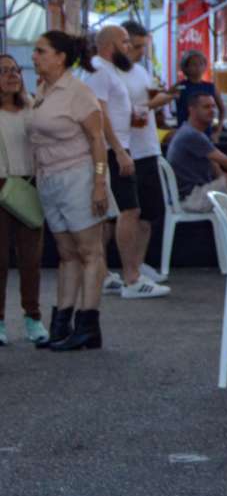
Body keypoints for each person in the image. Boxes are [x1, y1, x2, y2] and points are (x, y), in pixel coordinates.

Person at [28, 31, 116, 352]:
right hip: (50, 178)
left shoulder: (78, 92)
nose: (34, 56)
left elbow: (97, 140)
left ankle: (88, 324)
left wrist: (98, 184)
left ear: (60, 57)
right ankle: (62, 323)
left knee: (90, 251)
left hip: (78, 177)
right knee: (66, 253)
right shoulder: (43, 90)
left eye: (41, 51)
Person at [87, 26, 168, 300]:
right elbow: (100, 114)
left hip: (121, 147)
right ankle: (131, 278)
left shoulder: (110, 70)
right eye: (125, 42)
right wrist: (120, 150)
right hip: (113, 149)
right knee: (127, 211)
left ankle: (114, 273)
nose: (129, 47)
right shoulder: (99, 70)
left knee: (126, 211)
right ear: (110, 45)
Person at [121, 21, 175, 284]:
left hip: (148, 148)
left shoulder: (141, 71)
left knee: (149, 214)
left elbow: (146, 104)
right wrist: (155, 103)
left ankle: (139, 265)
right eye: (137, 46)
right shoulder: (110, 75)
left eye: (144, 46)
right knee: (126, 214)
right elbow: (122, 112)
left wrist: (160, 100)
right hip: (126, 150)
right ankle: (126, 269)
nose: (141, 52)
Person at [0, 54, 47, 346]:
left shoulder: (31, 107)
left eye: (15, 70)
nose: (12, 75)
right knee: (0, 260)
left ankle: (33, 318)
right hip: (1, 185)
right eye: (4, 71)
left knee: (31, 259)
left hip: (29, 186)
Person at [166, 91, 227, 212]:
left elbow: (216, 168)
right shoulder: (191, 135)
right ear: (192, 110)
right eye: (206, 107)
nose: (212, 111)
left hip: (191, 194)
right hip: (189, 198)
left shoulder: (193, 132)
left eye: (213, 106)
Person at [173, 50, 222, 133]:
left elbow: (222, 110)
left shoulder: (210, 87)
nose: (198, 67)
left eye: (201, 64)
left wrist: (217, 132)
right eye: (194, 64)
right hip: (185, 133)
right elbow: (164, 98)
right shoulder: (180, 86)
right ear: (186, 67)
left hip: (206, 134)